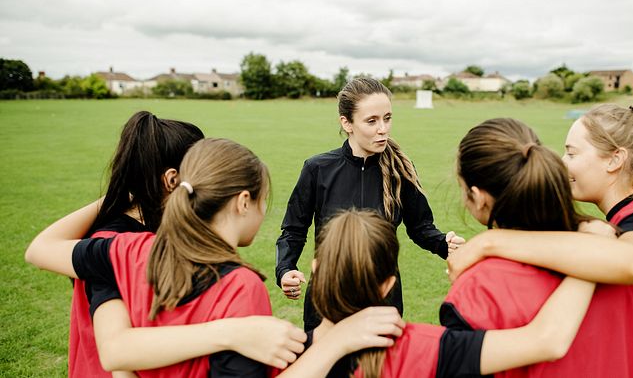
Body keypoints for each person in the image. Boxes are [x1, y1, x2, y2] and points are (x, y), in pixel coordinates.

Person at [27, 138, 396, 377]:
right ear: (243, 202)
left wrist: (121, 197)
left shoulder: (123, 248)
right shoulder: (240, 287)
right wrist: (334, 340)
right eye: (263, 200)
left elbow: (41, 248)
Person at [447, 112, 633, 377]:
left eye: (571, 153)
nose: (562, 163)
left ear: (477, 196)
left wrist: (491, 241)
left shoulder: (479, 289)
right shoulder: (605, 254)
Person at [306, 208, 597, 377]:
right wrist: (592, 256)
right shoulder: (427, 348)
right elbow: (547, 340)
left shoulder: (279, 350)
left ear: (315, 269)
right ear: (388, 284)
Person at [275, 77, 464, 330]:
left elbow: (421, 228)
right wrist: (285, 269)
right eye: (372, 121)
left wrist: (445, 245)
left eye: (387, 118)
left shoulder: (401, 171)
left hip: (383, 301)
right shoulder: (317, 169)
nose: (383, 128)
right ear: (347, 123)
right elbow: (294, 230)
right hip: (327, 303)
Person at [69, 110, 206, 378]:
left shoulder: (159, 227)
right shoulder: (113, 243)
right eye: (205, 170)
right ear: (172, 180)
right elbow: (120, 362)